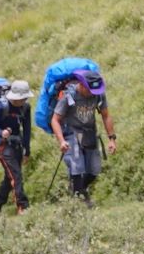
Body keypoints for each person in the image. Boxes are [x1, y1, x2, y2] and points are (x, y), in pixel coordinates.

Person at [48, 68, 116, 204]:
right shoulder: (70, 95)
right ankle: (82, 201)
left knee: (94, 170)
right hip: (71, 133)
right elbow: (55, 120)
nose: (92, 93)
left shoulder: (98, 94)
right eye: (89, 90)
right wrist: (61, 141)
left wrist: (112, 139)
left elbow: (106, 115)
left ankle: (77, 190)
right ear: (82, 85)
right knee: (77, 167)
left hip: (89, 132)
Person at [0, 81, 34, 213]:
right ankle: (23, 207)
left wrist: (27, 150)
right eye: (22, 98)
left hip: (17, 144)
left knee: (10, 176)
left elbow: (27, 129)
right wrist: (2, 132)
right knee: (16, 175)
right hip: (2, 145)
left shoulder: (26, 107)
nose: (24, 100)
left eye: (25, 98)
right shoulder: (1, 107)